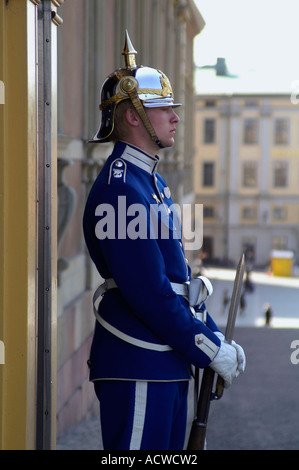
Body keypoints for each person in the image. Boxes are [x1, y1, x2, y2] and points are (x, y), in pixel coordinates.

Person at [83, 31, 246, 451]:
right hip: (139, 359)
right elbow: (150, 293)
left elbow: (180, 282)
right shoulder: (122, 188)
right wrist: (208, 348)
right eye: (163, 109)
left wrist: (213, 335)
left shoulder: (151, 181)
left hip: (165, 359)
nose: (175, 117)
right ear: (134, 116)